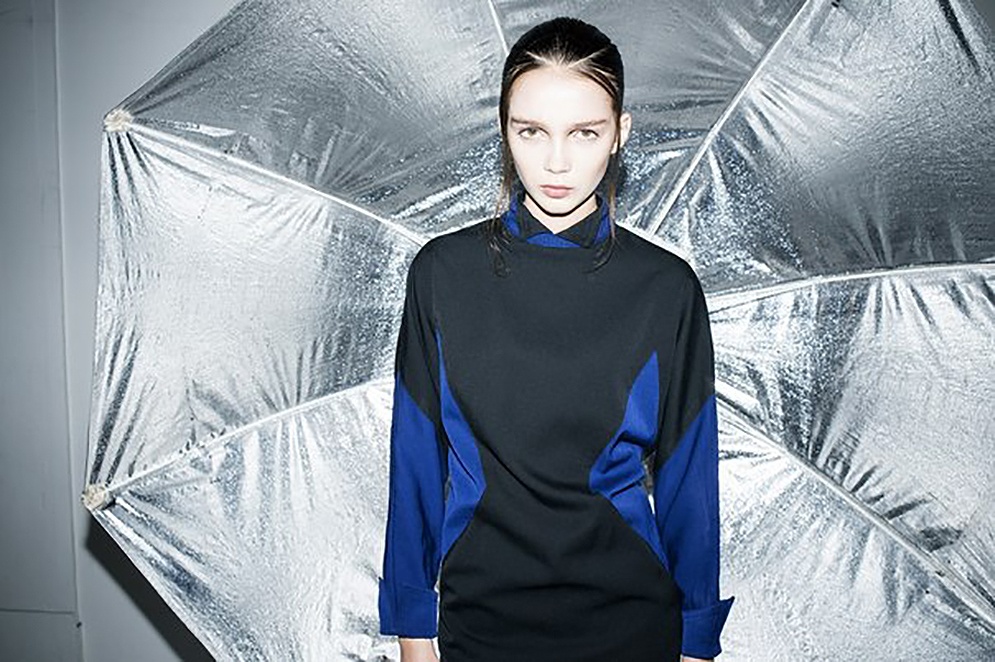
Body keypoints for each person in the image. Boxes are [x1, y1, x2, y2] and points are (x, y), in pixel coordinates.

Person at [377, 16, 735, 662]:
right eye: (531, 131)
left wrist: (696, 643)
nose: (557, 162)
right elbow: (415, 463)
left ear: (620, 133)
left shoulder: (666, 288)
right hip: (478, 631)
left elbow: (690, 484)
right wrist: (412, 631)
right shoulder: (441, 275)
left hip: (633, 632)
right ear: (503, 129)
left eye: (585, 132)